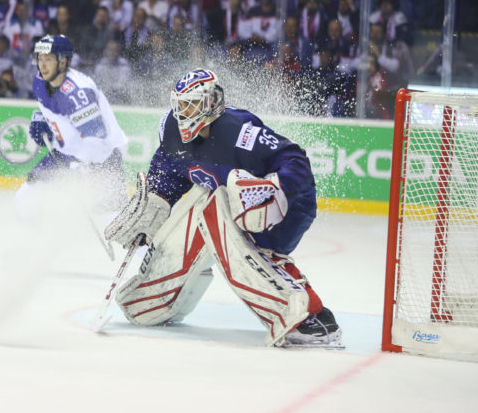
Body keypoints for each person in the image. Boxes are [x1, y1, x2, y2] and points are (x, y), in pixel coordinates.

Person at [103, 69, 342, 348]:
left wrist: (273, 187)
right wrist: (154, 205)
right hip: (229, 203)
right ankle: (154, 300)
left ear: (212, 102)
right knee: (207, 205)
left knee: (224, 215)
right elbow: (168, 171)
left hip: (286, 206)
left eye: (192, 104)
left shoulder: (239, 130)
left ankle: (307, 315)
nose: (183, 113)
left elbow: (296, 162)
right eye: (180, 105)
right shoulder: (170, 129)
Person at [16, 34, 128, 224]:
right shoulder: (40, 80)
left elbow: (97, 139)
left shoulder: (78, 93)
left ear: (63, 62)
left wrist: (82, 168)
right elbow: (55, 107)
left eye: (48, 59)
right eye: (40, 58)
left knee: (109, 220)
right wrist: (43, 119)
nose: (42, 65)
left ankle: (136, 243)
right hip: (66, 152)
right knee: (26, 196)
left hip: (103, 157)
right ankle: (32, 239)